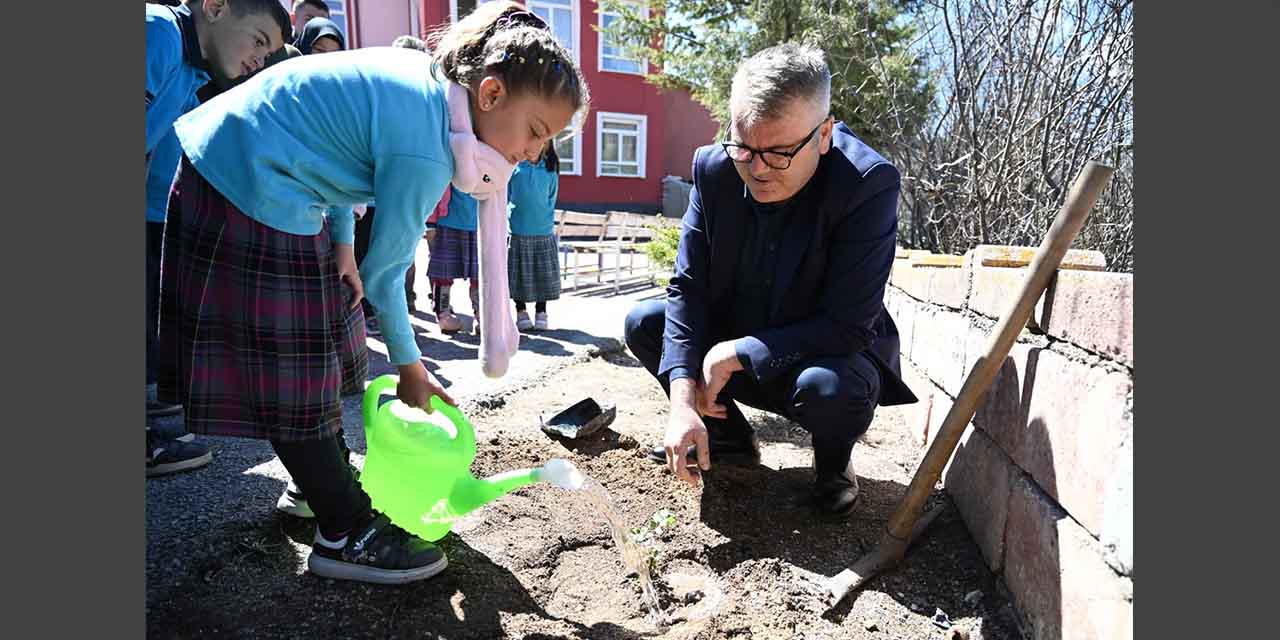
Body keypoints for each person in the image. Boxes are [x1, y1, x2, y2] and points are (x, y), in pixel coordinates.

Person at [159, 0, 587, 583]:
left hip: (258, 170)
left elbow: (330, 147)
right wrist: (412, 368)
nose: (536, 152)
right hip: (246, 175)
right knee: (295, 369)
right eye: (536, 132)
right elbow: (389, 275)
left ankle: (320, 486)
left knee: (325, 350)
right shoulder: (429, 141)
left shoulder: (434, 94)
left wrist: (339, 245)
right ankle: (343, 531)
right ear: (489, 95)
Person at [622, 42, 917, 519]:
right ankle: (726, 439)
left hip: (820, 357)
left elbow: (849, 324)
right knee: (646, 322)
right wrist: (681, 402)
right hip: (734, 347)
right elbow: (689, 288)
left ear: (823, 135)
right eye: (743, 146)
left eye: (779, 153)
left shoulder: (866, 183)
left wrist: (741, 351)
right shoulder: (715, 171)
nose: (755, 169)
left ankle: (833, 466)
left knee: (829, 390)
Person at [145, 0, 290, 476]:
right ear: (215, 7)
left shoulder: (190, 73)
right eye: (259, 41)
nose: (259, 60)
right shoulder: (158, 32)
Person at [507, 143, 562, 331]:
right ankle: (520, 311)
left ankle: (541, 311)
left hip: (543, 231)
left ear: (547, 147)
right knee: (518, 275)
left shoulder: (549, 170)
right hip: (517, 230)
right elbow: (506, 196)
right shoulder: (514, 167)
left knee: (542, 275)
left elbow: (551, 197)